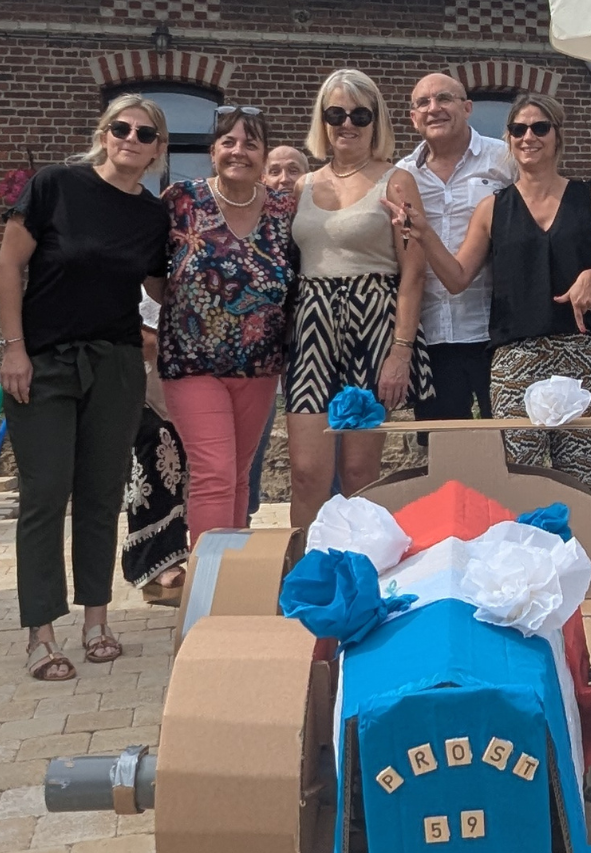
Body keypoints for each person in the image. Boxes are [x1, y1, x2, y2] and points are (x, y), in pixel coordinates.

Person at [0, 94, 170, 681]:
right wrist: (13, 348)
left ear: (157, 149)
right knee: (45, 494)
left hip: (116, 364)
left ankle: (97, 621)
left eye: (144, 133)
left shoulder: (152, 216)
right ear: (104, 132)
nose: (130, 139)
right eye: (121, 128)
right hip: (43, 361)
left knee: (100, 494)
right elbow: (8, 266)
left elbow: (162, 286)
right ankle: (41, 634)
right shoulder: (56, 186)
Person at [397, 94, 591, 481]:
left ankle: (577, 526)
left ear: (557, 135)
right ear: (509, 139)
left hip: (579, 350)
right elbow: (457, 277)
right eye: (518, 130)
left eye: (539, 128)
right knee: (519, 475)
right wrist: (424, 234)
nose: (528, 137)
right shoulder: (493, 208)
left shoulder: (590, 198)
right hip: (515, 354)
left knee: (579, 475)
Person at [285, 69, 431, 526]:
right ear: (322, 120)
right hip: (312, 327)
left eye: (359, 115)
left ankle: (361, 559)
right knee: (306, 471)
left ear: (376, 121)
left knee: (358, 471)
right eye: (336, 114)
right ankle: (305, 562)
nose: (347, 124)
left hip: (373, 324)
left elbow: (414, 271)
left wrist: (401, 352)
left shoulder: (397, 181)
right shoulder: (303, 186)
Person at [159, 106, 298, 540]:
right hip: (192, 363)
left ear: (264, 155)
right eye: (228, 142)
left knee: (238, 475)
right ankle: (208, 577)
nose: (239, 152)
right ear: (212, 151)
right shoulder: (181, 200)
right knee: (214, 472)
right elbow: (149, 271)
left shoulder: (284, 209)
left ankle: (233, 572)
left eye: (251, 144)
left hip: (258, 366)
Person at [395, 72, 513, 420]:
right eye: (423, 103)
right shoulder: (402, 176)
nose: (434, 108)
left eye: (444, 98)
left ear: (467, 108)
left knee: (507, 441)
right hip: (433, 335)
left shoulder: (505, 160)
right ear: (413, 117)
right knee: (443, 446)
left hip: (497, 332)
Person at [244, 144, 308, 520]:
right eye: (275, 171)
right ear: (262, 178)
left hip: (311, 345)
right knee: (252, 439)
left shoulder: (322, 219)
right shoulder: (252, 222)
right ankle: (243, 514)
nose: (284, 179)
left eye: (294, 170)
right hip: (260, 348)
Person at [125, 295, 190, 601]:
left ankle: (192, 550)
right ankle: (155, 560)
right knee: (155, 454)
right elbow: (146, 340)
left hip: (186, 372)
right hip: (146, 382)